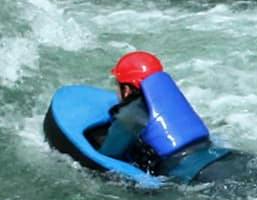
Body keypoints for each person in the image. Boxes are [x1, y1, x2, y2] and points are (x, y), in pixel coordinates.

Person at [97, 51, 232, 181]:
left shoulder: (131, 114)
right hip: (222, 156)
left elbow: (109, 154)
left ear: (126, 90)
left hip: (193, 175)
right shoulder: (172, 98)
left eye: (117, 84)